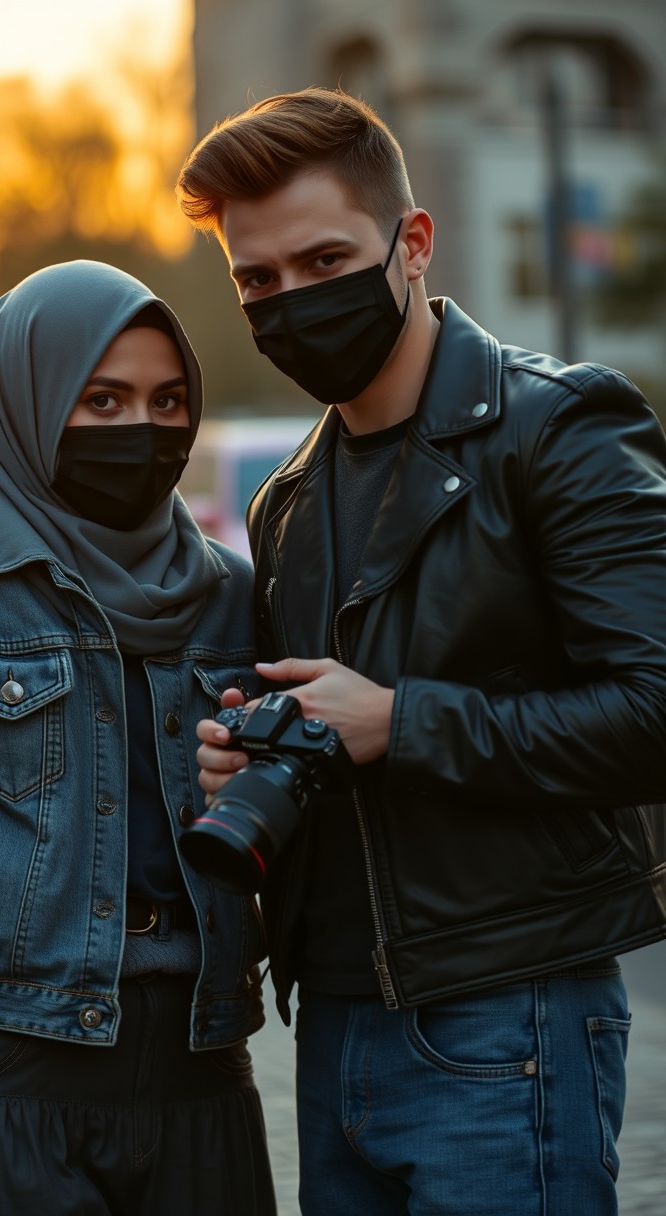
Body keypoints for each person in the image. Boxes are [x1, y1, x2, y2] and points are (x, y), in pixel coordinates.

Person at [176, 88, 666, 1215]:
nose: (292, 300)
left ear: (413, 243)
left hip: (508, 1014)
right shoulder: (287, 499)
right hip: (335, 1020)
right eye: (258, 279)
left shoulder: (559, 426)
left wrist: (400, 721)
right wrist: (253, 761)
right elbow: (331, 739)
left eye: (323, 259)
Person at [0, 260, 277, 1216]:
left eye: (166, 400)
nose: (141, 430)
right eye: (101, 398)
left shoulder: (234, 599)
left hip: (204, 1082)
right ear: (26, 402)